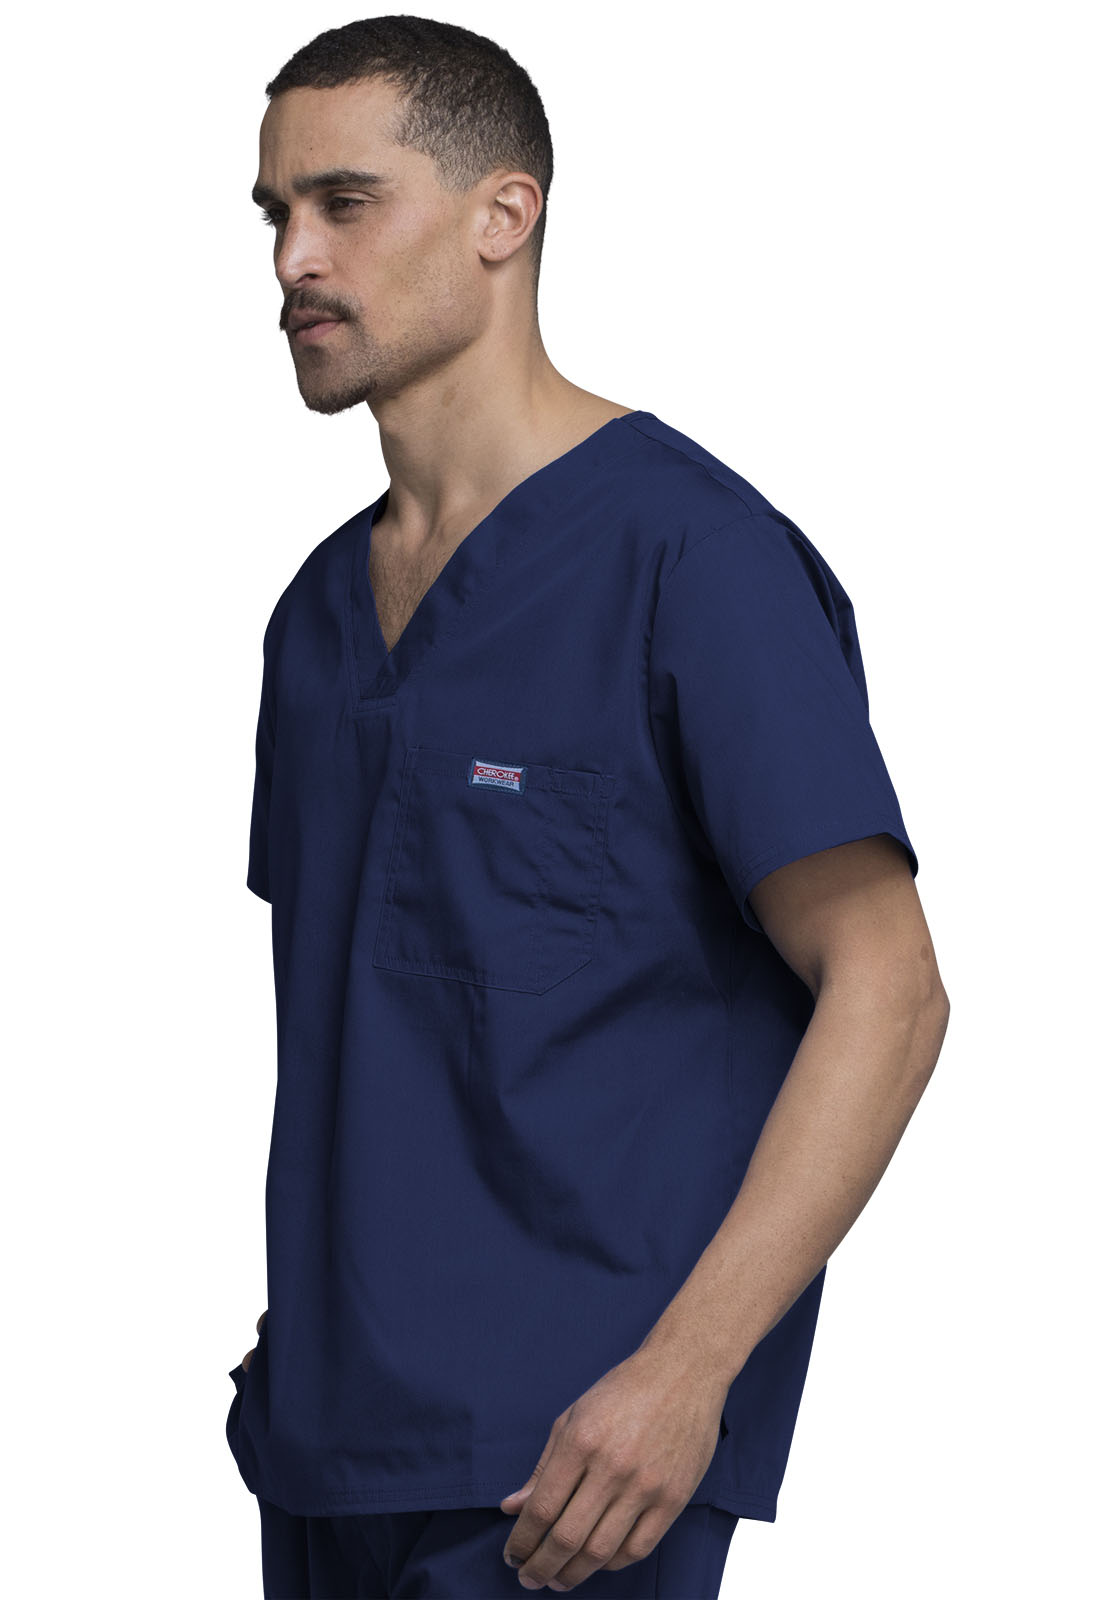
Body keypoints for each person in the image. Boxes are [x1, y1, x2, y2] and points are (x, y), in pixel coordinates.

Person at [225, 15, 950, 1598]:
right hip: (326, 1452)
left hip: (574, 1466)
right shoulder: (312, 622)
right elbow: (356, 1021)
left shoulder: (692, 561)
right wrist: (295, 1355)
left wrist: (688, 1375)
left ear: (506, 213)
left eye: (346, 203)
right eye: (274, 213)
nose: (293, 259)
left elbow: (890, 988)